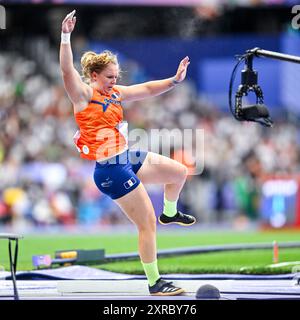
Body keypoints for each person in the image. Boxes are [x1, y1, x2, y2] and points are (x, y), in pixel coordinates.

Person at [60, 10, 196, 296]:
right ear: (94, 75)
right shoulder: (83, 96)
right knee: (146, 224)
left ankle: (169, 213)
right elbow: (65, 71)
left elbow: (145, 88)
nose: (114, 80)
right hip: (111, 169)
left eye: (116, 76)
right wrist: (65, 36)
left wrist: (173, 81)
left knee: (179, 172)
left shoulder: (115, 94)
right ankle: (155, 282)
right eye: (109, 77)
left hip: (128, 157)